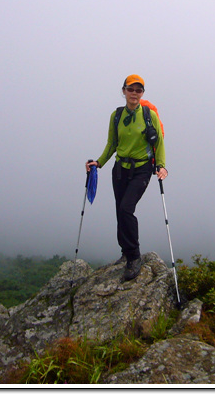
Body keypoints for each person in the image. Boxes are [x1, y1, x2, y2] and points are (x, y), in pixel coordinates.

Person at [86, 74, 167, 281]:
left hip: (141, 170)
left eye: (138, 90)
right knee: (119, 210)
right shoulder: (116, 116)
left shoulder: (150, 116)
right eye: (130, 89)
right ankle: (125, 251)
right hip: (120, 169)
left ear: (142, 94)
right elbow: (111, 144)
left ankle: (134, 256)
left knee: (126, 209)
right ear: (123, 91)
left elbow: (159, 144)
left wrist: (161, 166)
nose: (134, 93)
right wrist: (99, 162)